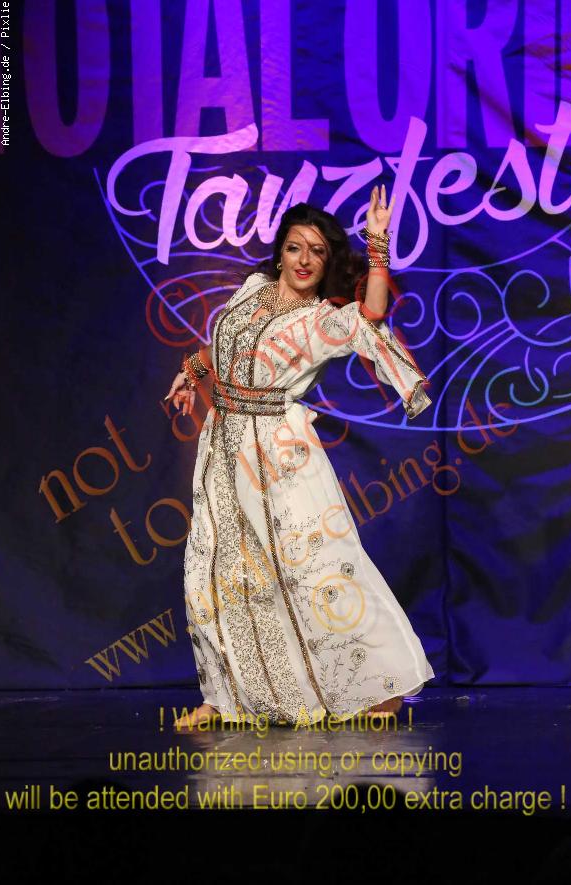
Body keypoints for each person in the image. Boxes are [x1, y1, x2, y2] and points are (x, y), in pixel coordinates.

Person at [165, 186, 435, 728]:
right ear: (280, 253)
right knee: (214, 571)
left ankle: (379, 685)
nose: (304, 259)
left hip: (278, 452)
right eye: (294, 247)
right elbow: (229, 344)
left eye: (317, 251)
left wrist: (377, 244)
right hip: (223, 444)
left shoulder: (322, 321)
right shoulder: (253, 289)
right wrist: (192, 370)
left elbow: (372, 312)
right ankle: (223, 696)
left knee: (315, 568)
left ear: (328, 261)